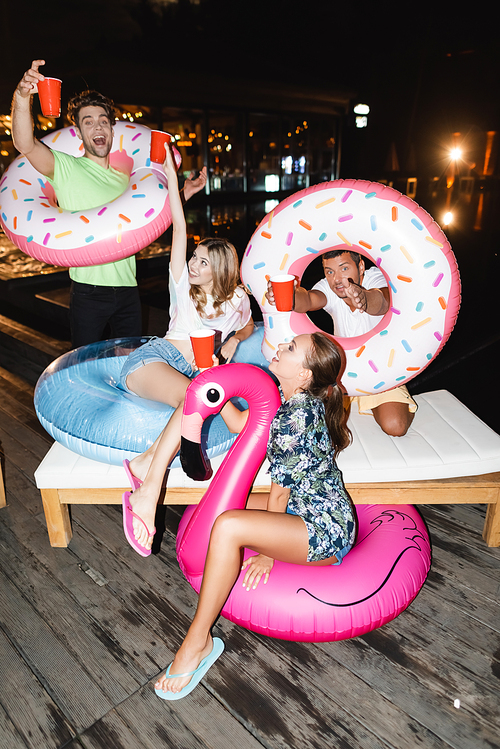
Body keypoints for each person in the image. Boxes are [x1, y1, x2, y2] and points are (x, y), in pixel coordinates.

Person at [153, 331, 357, 699]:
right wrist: (213, 378)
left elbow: (278, 492)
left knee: (229, 525)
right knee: (228, 513)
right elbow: (239, 424)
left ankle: (197, 641)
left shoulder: (295, 417)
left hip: (323, 529)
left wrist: (267, 553)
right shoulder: (291, 397)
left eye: (291, 348)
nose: (280, 346)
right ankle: (199, 637)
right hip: (310, 506)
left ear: (305, 375)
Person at [11, 59, 207, 348]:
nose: (97, 126)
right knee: (85, 364)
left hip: (128, 288)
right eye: (88, 122)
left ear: (112, 131)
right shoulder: (65, 167)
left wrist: (185, 192)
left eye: (103, 120)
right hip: (89, 293)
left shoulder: (125, 178)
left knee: (129, 365)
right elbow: (25, 144)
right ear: (78, 133)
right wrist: (22, 96)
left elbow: (148, 215)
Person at [120, 141, 254, 554]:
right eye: (193, 258)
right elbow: (180, 224)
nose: (192, 265)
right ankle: (148, 489)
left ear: (222, 270)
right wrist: (170, 173)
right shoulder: (182, 285)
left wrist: (233, 339)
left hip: (199, 371)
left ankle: (143, 464)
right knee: (208, 398)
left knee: (203, 390)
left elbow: (249, 325)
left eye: (201, 262)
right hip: (156, 359)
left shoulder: (236, 300)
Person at [266, 250, 417, 436]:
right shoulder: (329, 288)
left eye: (344, 268)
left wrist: (364, 298)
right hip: (343, 374)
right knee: (320, 427)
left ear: (360, 266)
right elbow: (309, 299)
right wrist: (289, 297)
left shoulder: (374, 278)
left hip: (381, 370)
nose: (336, 279)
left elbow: (383, 300)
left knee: (395, 426)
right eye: (329, 271)